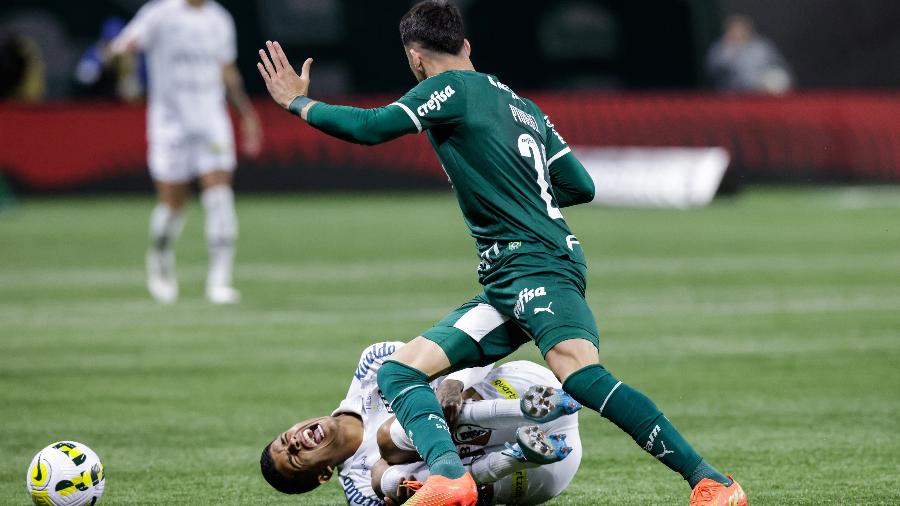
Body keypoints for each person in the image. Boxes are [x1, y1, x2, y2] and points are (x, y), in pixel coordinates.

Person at [256, 1, 747, 504]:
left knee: (580, 375)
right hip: (506, 277)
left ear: (415, 60)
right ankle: (452, 478)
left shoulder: (448, 89)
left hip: (535, 264)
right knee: (399, 371)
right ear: (466, 45)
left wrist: (299, 104)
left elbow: (371, 128)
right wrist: (517, 193)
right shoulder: (523, 105)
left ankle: (711, 481)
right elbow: (580, 184)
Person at [260, 341, 583, 505]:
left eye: (284, 439)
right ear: (322, 475)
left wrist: (452, 382)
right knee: (388, 480)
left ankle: (527, 411)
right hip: (541, 471)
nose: (294, 442)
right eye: (294, 456)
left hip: (522, 391)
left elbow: (472, 344)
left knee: (396, 433)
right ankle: (517, 455)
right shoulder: (361, 491)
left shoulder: (373, 364)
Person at [111, 0, 262, 304]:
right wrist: (127, 76)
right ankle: (161, 259)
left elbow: (227, 70)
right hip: (170, 125)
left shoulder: (219, 18)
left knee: (219, 197)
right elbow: (121, 48)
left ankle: (219, 282)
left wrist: (246, 113)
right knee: (173, 205)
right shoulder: (158, 14)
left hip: (211, 123)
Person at [706, 14, 793, 94]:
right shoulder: (721, 48)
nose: (738, 32)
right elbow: (713, 68)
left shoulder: (761, 46)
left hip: (762, 90)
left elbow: (777, 64)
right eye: (734, 29)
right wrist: (731, 50)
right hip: (733, 91)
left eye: (741, 29)